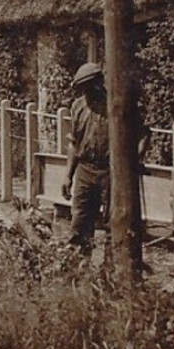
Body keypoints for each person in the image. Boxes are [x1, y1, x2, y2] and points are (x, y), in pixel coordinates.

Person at [61, 61, 109, 254]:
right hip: (85, 168)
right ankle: (79, 267)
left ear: (98, 83)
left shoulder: (115, 104)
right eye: (82, 88)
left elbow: (142, 133)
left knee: (112, 221)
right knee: (80, 220)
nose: (85, 92)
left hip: (110, 170)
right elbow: (74, 143)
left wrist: (136, 160)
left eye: (88, 86)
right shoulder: (78, 107)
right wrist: (68, 175)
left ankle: (112, 269)